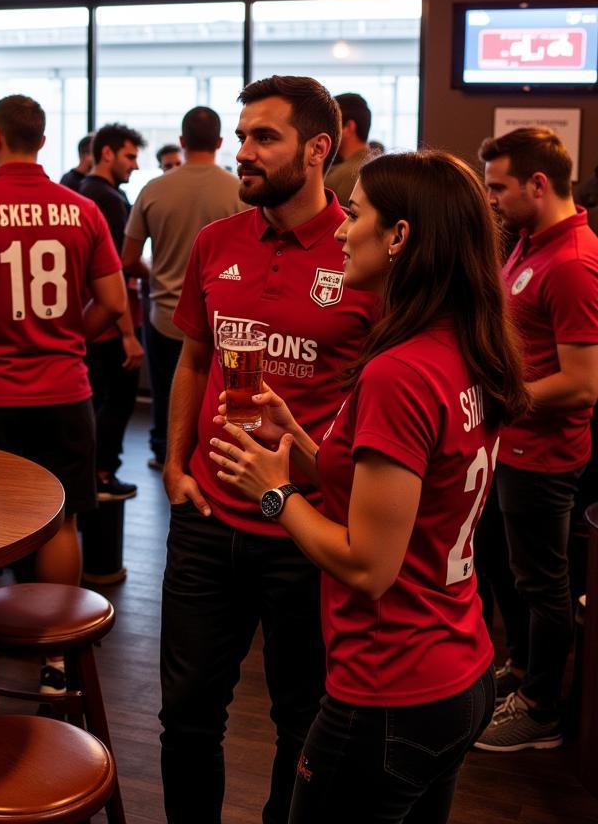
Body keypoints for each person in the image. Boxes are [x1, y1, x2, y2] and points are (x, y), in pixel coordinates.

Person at [209, 150, 526, 821]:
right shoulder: (464, 344)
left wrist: (274, 493)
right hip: (458, 666)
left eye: (355, 214)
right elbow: (400, 492)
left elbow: (367, 564)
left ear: (400, 236)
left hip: (390, 687)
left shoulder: (400, 372)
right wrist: (294, 436)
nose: (344, 231)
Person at [158, 78, 376, 824]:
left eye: (264, 138)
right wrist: (174, 464)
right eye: (242, 135)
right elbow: (192, 358)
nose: (243, 152)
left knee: (301, 723)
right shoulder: (218, 241)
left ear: (320, 148)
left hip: (305, 531)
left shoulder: (364, 254)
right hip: (207, 522)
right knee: (187, 720)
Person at [0, 94, 125, 694]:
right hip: (64, 389)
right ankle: (57, 659)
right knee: (61, 519)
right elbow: (113, 304)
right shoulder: (83, 210)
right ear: (42, 141)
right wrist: (69, 340)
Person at [475, 127, 598, 752]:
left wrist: (501, 398)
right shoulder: (528, 242)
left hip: (545, 458)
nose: (492, 199)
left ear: (538, 183)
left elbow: (581, 384)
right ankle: (521, 671)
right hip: (510, 447)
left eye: (499, 187)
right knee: (505, 571)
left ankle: (542, 708)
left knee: (542, 584)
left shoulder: (573, 262)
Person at [122, 105, 245, 472]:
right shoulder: (238, 190)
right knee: (218, 395)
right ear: (221, 142)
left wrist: (157, 273)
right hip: (219, 317)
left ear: (181, 141)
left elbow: (128, 258)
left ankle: (164, 453)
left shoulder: (154, 189)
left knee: (165, 394)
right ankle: (209, 457)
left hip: (165, 314)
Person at [79, 123, 146, 501]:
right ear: (107, 153)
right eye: (130, 156)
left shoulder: (93, 193)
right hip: (110, 325)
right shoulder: (103, 198)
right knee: (115, 403)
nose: (135, 166)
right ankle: (102, 473)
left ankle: (100, 472)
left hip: (103, 320)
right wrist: (127, 334)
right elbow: (114, 270)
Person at [324, 92, 372, 204]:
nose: (325, 131)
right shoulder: (380, 168)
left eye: (331, 125)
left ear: (348, 127)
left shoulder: (344, 176)